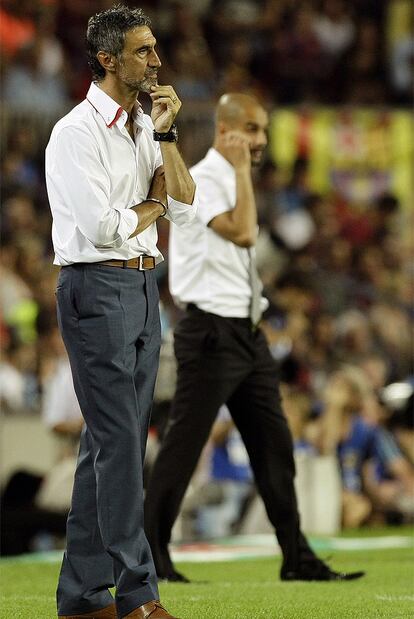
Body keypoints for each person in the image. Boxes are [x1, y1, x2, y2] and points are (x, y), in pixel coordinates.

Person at [144, 92, 364, 584]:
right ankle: (151, 554)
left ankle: (296, 555)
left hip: (245, 331)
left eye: (263, 130)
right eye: (256, 129)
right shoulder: (199, 178)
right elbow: (244, 234)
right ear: (228, 131)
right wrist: (242, 171)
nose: (262, 141)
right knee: (186, 442)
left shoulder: (228, 180)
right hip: (209, 332)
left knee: (274, 445)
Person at [45, 5, 196, 619]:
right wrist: (153, 204)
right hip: (95, 289)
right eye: (142, 51)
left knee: (109, 446)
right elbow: (104, 228)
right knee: (120, 443)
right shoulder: (74, 133)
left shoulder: (142, 127)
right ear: (107, 59)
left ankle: (82, 597)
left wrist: (164, 138)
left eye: (155, 49)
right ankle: (139, 593)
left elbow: (184, 206)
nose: (156, 62)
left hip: (141, 290)